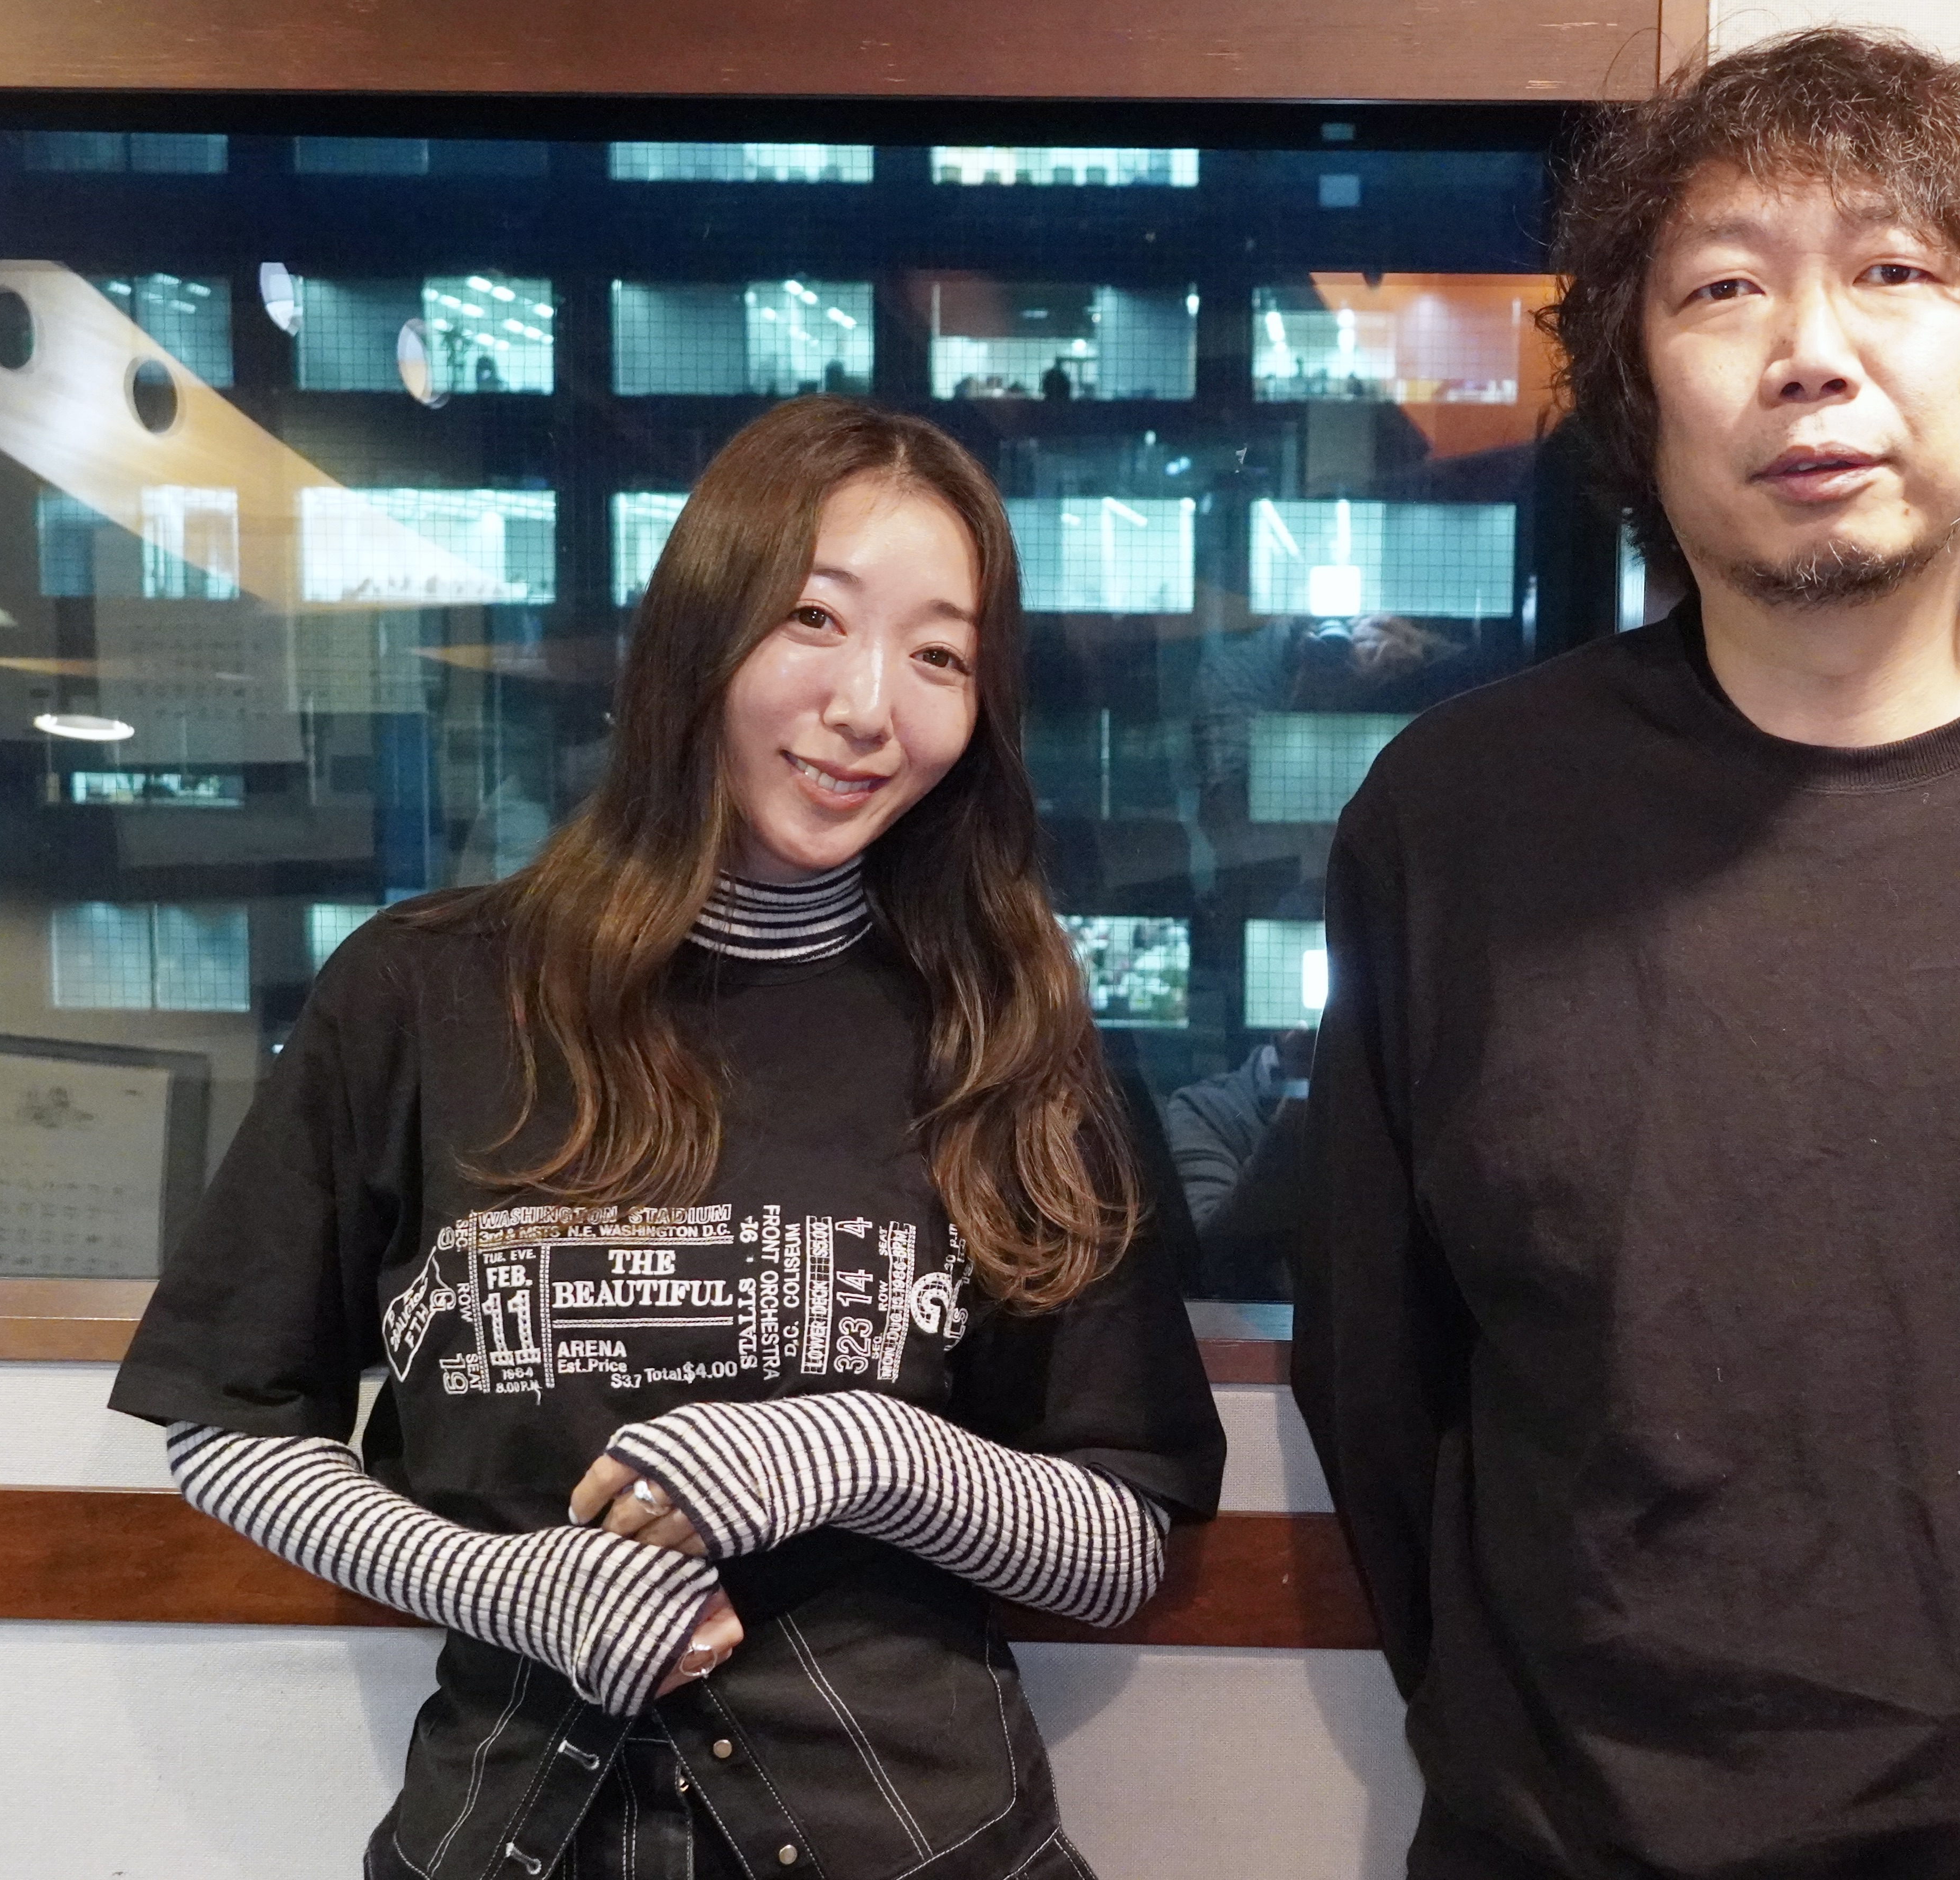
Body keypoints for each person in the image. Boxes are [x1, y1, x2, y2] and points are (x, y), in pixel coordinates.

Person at [1293, 28, 1960, 1880]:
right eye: (1723, 287)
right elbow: (1378, 1371)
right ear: (1638, 387)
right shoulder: (1455, 816)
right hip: (1575, 1842)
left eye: (1896, 270)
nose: (1812, 350)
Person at [111, 397, 1227, 1880]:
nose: (870, 706)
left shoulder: (1010, 1032)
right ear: (700, 630)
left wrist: (862, 1448)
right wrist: (507, 1585)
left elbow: (1120, 1541)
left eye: (940, 655)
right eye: (814, 618)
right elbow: (230, 1426)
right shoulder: (422, 992)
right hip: (510, 1831)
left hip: (920, 1838)